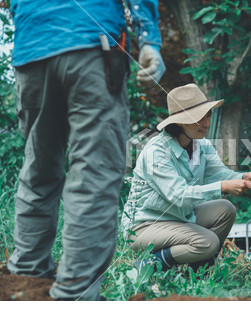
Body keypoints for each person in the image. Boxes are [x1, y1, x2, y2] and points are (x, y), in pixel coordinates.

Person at [7, 0, 165, 300]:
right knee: (94, 172)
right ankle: (76, 293)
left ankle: (25, 279)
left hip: (31, 49)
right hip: (92, 44)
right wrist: (149, 41)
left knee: (38, 168)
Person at [122, 83, 251, 270]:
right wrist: (223, 186)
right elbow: (179, 196)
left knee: (225, 209)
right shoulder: (156, 152)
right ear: (180, 121)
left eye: (208, 115)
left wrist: (244, 176)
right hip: (145, 226)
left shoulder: (201, 144)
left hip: (180, 218)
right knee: (208, 242)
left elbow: (219, 174)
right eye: (199, 118)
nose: (206, 123)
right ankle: (147, 264)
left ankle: (199, 271)